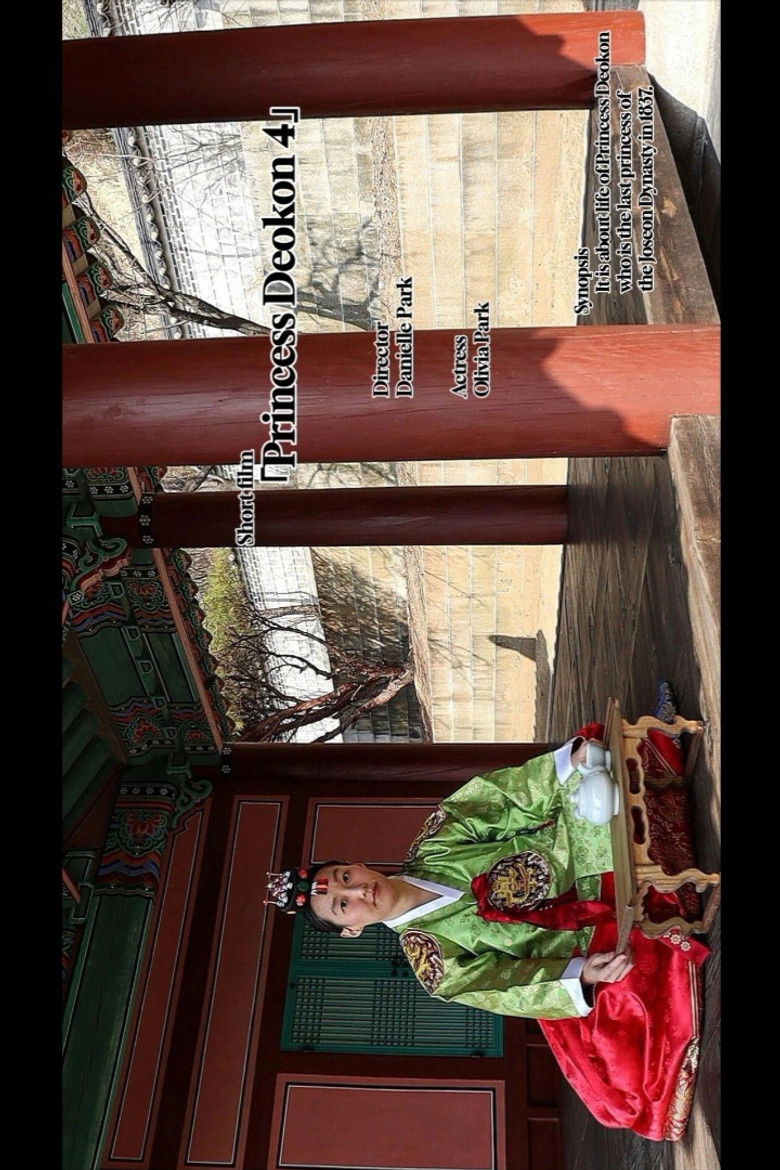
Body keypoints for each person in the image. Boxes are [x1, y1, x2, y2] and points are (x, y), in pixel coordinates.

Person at [267, 729, 708, 1141]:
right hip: (576, 936)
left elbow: (503, 801)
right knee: (628, 996)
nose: (359, 891)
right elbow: (508, 985)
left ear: (357, 864)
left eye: (345, 877)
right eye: (344, 905)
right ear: (353, 930)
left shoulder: (435, 843)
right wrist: (583, 974)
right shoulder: (434, 964)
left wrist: (565, 767)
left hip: (574, 850)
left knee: (599, 786)